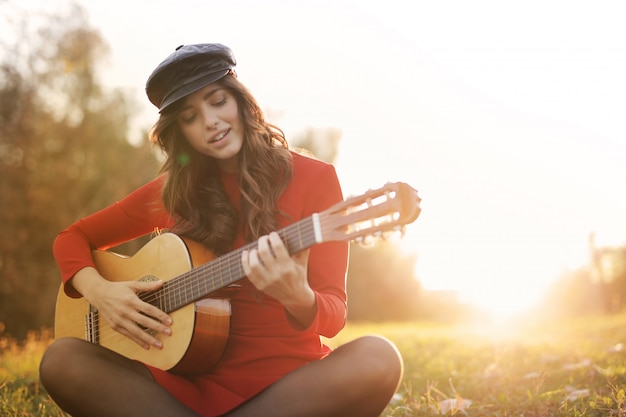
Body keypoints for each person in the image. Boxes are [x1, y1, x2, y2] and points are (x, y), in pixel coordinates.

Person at [39, 43, 403, 417]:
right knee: (61, 359)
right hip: (181, 389)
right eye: (189, 117)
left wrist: (298, 295)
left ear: (241, 101)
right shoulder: (172, 193)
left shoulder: (314, 178)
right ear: (178, 131)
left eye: (217, 101)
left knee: (378, 357)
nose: (210, 121)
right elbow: (72, 238)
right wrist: (101, 292)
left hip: (288, 391)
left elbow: (335, 312)